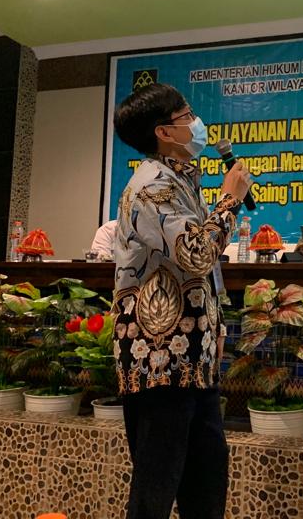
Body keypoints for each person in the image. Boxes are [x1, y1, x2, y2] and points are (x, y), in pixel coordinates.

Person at [111, 83, 252, 519]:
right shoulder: (152, 187)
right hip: (158, 358)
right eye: (187, 115)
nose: (197, 123)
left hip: (193, 355)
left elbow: (203, 273)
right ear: (164, 132)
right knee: (156, 485)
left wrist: (216, 326)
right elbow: (195, 255)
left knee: (206, 478)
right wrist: (231, 200)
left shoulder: (181, 180)